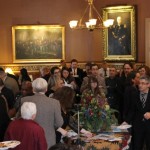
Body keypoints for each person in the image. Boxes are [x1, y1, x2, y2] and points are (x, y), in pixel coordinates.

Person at [17, 78, 63, 148]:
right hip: (48, 139)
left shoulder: (24, 100)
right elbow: (59, 123)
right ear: (46, 89)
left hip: (28, 138)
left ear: (33, 89)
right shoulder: (55, 103)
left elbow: (18, 118)